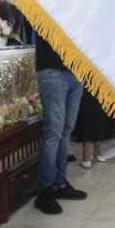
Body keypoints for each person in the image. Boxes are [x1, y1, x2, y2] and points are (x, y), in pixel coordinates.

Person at [33, 31, 89, 213]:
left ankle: (60, 182)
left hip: (76, 70)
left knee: (66, 131)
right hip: (53, 68)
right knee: (54, 133)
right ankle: (46, 190)